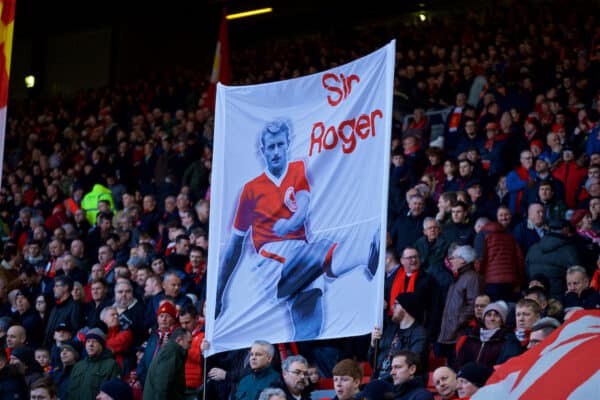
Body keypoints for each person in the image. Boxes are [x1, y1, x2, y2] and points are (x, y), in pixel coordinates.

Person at [215, 120, 380, 340]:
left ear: (287, 145)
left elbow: (303, 203)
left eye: (280, 145)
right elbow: (233, 247)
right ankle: (365, 251)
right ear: (262, 151)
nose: (276, 151)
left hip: (302, 256)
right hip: (271, 261)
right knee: (317, 250)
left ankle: (301, 364)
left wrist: (292, 223)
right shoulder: (251, 190)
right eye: (270, 147)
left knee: (311, 329)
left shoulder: (297, 169)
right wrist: (218, 294)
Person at [370, 293, 428, 380]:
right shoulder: (390, 330)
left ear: (405, 307)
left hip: (400, 383)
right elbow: (373, 362)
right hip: (379, 379)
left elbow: (413, 362)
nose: (392, 307)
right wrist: (373, 344)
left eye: (396, 304)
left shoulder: (419, 333)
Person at [67, 327, 121, 400]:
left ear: (102, 345)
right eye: (88, 341)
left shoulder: (112, 365)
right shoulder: (78, 366)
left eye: (95, 341)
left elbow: (113, 395)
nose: (90, 344)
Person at [143, 327, 192, 400]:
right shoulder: (170, 353)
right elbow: (162, 383)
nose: (190, 346)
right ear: (179, 340)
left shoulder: (172, 351)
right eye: (189, 342)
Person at [456, 301, 508, 369]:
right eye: (489, 315)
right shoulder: (471, 337)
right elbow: (459, 362)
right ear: (484, 319)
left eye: (496, 315)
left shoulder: (505, 341)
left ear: (502, 320)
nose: (492, 318)